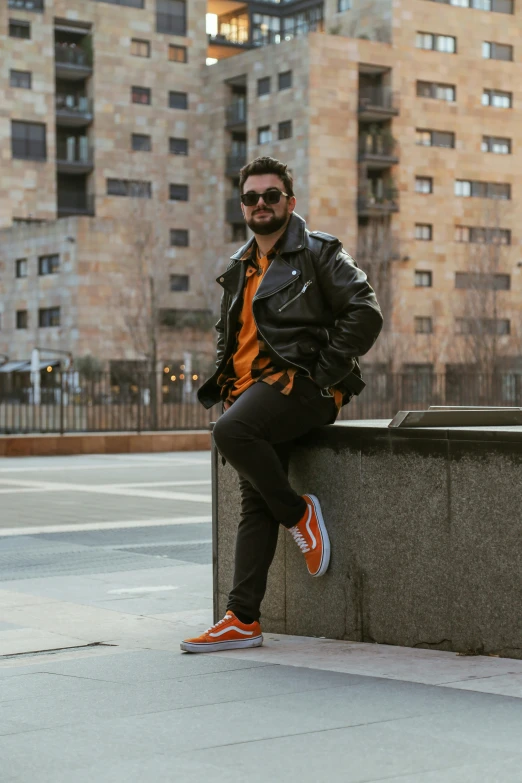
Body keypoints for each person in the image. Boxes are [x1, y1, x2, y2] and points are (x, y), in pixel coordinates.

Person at [180, 156, 383, 653]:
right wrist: (232, 384)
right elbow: (235, 340)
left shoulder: (318, 253)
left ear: (289, 203)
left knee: (229, 432)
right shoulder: (238, 268)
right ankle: (242, 618)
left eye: (271, 196)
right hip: (256, 394)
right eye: (251, 197)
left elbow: (365, 313)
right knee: (255, 498)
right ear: (242, 206)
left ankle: (298, 515)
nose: (261, 204)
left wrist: (319, 374)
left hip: (304, 388)